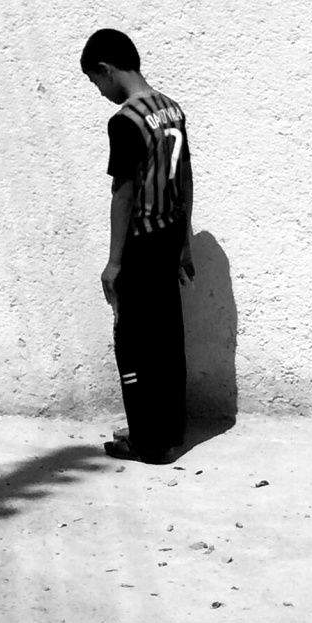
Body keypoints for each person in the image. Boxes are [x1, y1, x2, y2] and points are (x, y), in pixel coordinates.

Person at [81, 27, 195, 464]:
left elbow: (123, 193)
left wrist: (114, 262)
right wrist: (184, 243)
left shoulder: (125, 121)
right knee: (167, 337)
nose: (100, 91)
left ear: (107, 70)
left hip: (141, 244)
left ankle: (147, 442)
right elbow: (185, 179)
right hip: (169, 235)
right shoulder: (172, 109)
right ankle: (169, 430)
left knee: (133, 343)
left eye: (96, 82)